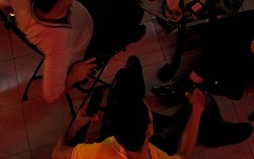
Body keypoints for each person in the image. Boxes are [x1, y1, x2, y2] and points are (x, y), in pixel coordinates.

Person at [55, 57, 207, 158]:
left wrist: (75, 126)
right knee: (204, 107)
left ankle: (130, 73)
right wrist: (197, 109)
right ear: (149, 129)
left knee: (124, 76)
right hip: (156, 145)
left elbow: (57, 154)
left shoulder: (100, 152)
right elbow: (184, 153)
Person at [0, 0, 95, 104]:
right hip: (87, 36)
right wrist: (74, 76)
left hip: (80, 18)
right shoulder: (58, 41)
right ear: (59, 5)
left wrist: (13, 11)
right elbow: (52, 95)